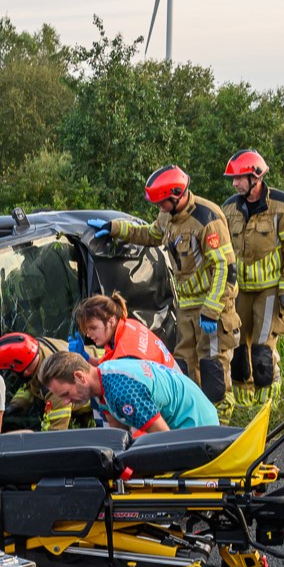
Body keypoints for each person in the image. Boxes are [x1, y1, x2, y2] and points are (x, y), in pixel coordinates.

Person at [94, 166, 239, 405]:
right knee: (184, 366)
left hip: (211, 308)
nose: (159, 208)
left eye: (162, 202)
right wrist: (116, 228)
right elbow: (150, 235)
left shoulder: (207, 219)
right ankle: (195, 419)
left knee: (213, 368)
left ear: (176, 194)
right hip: (186, 307)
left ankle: (221, 426)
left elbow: (225, 268)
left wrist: (212, 310)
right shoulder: (167, 216)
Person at [220, 150, 284, 405]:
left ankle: (269, 404)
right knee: (238, 352)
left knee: (262, 352)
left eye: (239, 178)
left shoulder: (282, 204)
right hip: (239, 290)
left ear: (255, 177)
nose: (234, 183)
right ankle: (245, 405)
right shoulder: (229, 207)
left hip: (270, 290)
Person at [37, 350, 218, 437]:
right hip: (191, 418)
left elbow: (164, 438)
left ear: (79, 377)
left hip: (197, 426)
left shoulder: (121, 392)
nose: (67, 402)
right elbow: (119, 438)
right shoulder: (101, 379)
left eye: (66, 394)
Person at [0, 332, 74, 431]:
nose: (12, 375)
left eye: (11, 371)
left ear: (24, 371)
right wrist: (15, 405)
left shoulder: (56, 384)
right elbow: (32, 386)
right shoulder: (35, 352)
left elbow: (55, 433)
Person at [71, 293, 177, 369]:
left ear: (111, 321)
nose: (88, 335)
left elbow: (103, 376)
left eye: (93, 328)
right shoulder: (128, 325)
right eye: (86, 329)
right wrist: (85, 357)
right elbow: (106, 363)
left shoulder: (126, 353)